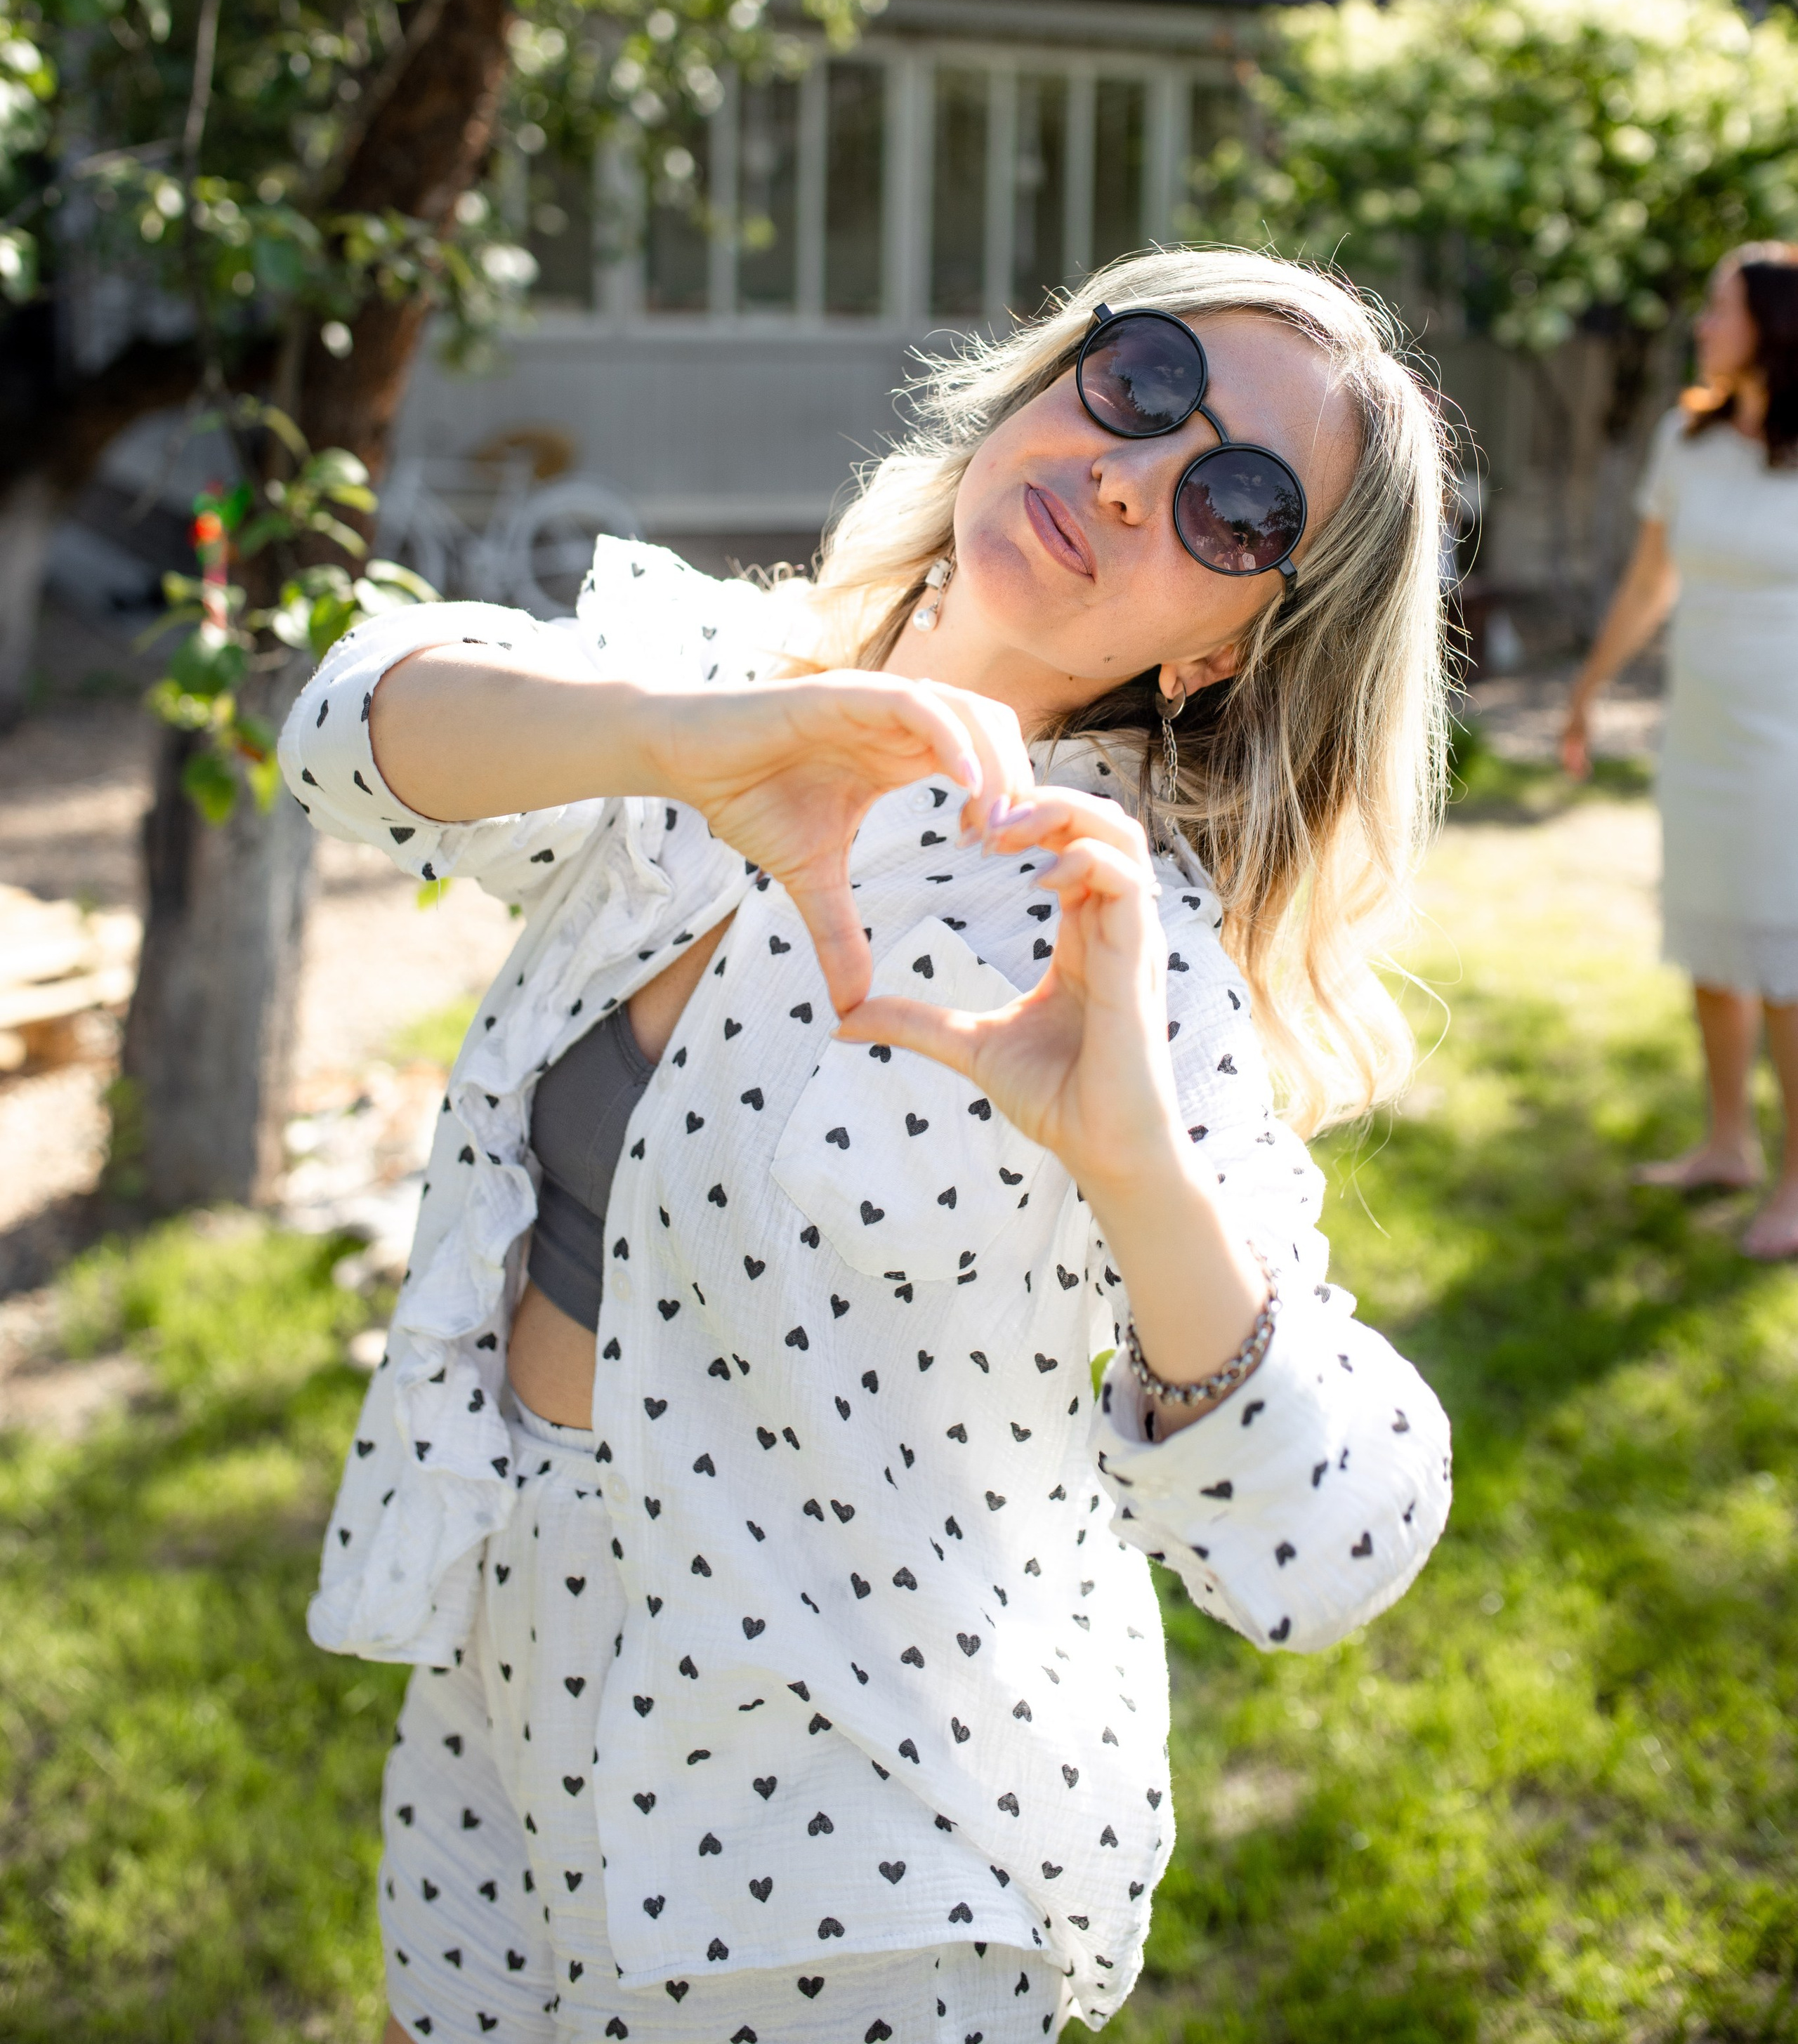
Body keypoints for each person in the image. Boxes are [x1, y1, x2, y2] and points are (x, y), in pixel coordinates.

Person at [278, 246, 1455, 2044]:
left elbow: (1334, 1541)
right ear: (1047, 382)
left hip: (861, 1852)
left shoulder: (1121, 941)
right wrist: (689, 743)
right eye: (1138, 383)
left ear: (1223, 646)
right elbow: (342, 733)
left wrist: (1135, 1165)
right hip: (514, 1700)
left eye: (1235, 504)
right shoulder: (709, 689)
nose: (1136, 472)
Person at [1561, 244, 1798, 1258]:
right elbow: (1651, 585)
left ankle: (1795, 1185)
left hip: (1788, 742)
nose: (1704, 326)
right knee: (1710, 943)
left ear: (1773, 329)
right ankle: (1726, 1145)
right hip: (1701, 730)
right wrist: (1588, 689)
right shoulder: (1686, 438)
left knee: (1786, 966)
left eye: (1720, 309)